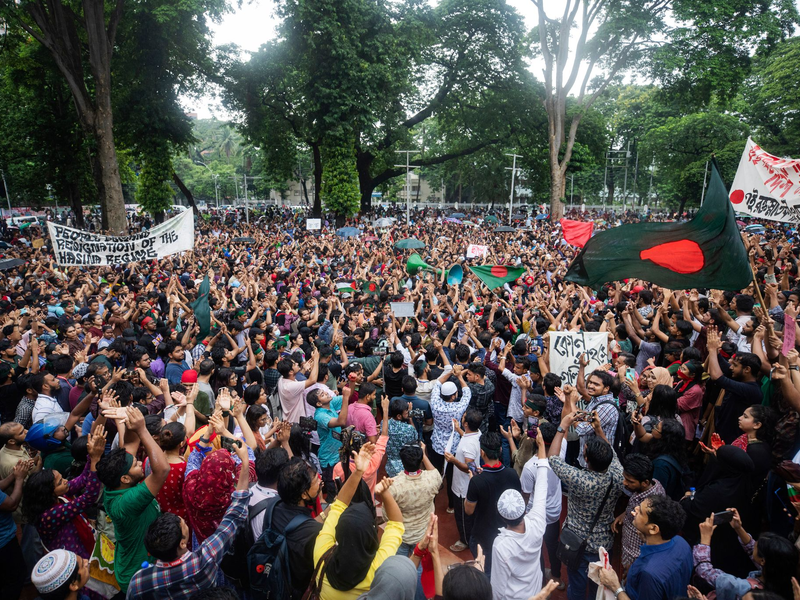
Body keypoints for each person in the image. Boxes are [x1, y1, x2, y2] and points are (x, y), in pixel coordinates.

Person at [126, 438, 251, 599]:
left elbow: (191, 464)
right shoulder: (205, 560)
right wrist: (245, 461)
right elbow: (234, 515)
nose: (181, 519)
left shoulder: (139, 582)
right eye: (183, 525)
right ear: (183, 543)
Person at [312, 443, 404, 599]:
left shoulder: (321, 552)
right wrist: (385, 493)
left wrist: (358, 472)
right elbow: (396, 525)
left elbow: (338, 506)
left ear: (338, 532)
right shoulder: (377, 568)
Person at [548, 410, 624, 600]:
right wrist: (598, 429)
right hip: (603, 543)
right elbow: (610, 451)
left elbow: (553, 459)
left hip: (577, 542)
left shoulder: (580, 478)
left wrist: (562, 426)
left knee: (577, 586)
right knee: (598, 587)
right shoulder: (618, 473)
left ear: (587, 459)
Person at [96, 405, 170, 594]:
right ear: (125, 479)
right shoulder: (126, 502)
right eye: (136, 464)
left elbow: (131, 443)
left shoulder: (118, 482)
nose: (139, 462)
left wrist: (128, 420)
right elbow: (162, 470)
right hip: (138, 574)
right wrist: (143, 429)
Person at [22, 422, 105, 558]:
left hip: (81, 543)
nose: (66, 481)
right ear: (49, 492)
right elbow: (89, 497)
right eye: (60, 482)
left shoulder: (60, 493)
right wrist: (95, 460)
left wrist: (91, 456)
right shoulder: (50, 514)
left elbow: (83, 478)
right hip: (73, 558)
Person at [490, 426, 551, 600]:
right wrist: (541, 448)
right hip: (536, 590)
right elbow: (541, 485)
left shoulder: (501, 545)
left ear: (501, 517)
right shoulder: (537, 522)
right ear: (524, 509)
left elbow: (498, 589)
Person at [597, 495, 693, 600]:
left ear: (653, 529)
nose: (636, 509)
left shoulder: (649, 574)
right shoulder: (682, 543)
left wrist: (615, 587)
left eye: (641, 512)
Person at [691, 506, 798, 600]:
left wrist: (705, 538)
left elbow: (705, 571)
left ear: (763, 560)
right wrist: (738, 528)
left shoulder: (738, 587)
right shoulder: (781, 576)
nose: (753, 544)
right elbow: (751, 549)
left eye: (757, 545)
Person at [464, 431, 521, 578]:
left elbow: (468, 510)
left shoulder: (477, 481)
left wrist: (473, 481)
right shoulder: (512, 474)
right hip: (507, 533)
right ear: (500, 450)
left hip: (483, 536)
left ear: (482, 452)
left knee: (486, 572)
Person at [706, 326, 763, 444]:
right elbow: (724, 366)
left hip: (732, 439)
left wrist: (712, 350)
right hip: (723, 431)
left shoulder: (751, 389)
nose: (731, 367)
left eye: (735, 365)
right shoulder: (741, 378)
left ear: (747, 369)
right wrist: (715, 349)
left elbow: (718, 378)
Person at [611, 453, 665, 574]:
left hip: (635, 558)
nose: (625, 483)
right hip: (629, 550)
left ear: (645, 482)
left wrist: (635, 566)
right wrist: (624, 514)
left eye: (630, 481)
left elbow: (653, 541)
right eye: (624, 478)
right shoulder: (650, 485)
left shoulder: (652, 506)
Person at [445, 408, 482, 554]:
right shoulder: (476, 433)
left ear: (466, 423)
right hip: (466, 485)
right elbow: (467, 436)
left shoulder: (468, 445)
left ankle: (465, 540)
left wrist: (453, 460)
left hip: (463, 488)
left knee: (463, 517)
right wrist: (459, 429)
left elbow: (469, 467)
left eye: (464, 418)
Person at [0, 458, 30, 599]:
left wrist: (14, 474)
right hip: (3, 542)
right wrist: (19, 479)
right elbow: (11, 504)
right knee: (15, 577)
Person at [385, 396, 419, 477]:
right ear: (399, 416)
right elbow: (416, 437)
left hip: (390, 465)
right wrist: (410, 419)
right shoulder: (408, 429)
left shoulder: (384, 424)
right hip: (405, 465)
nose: (408, 414)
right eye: (406, 413)